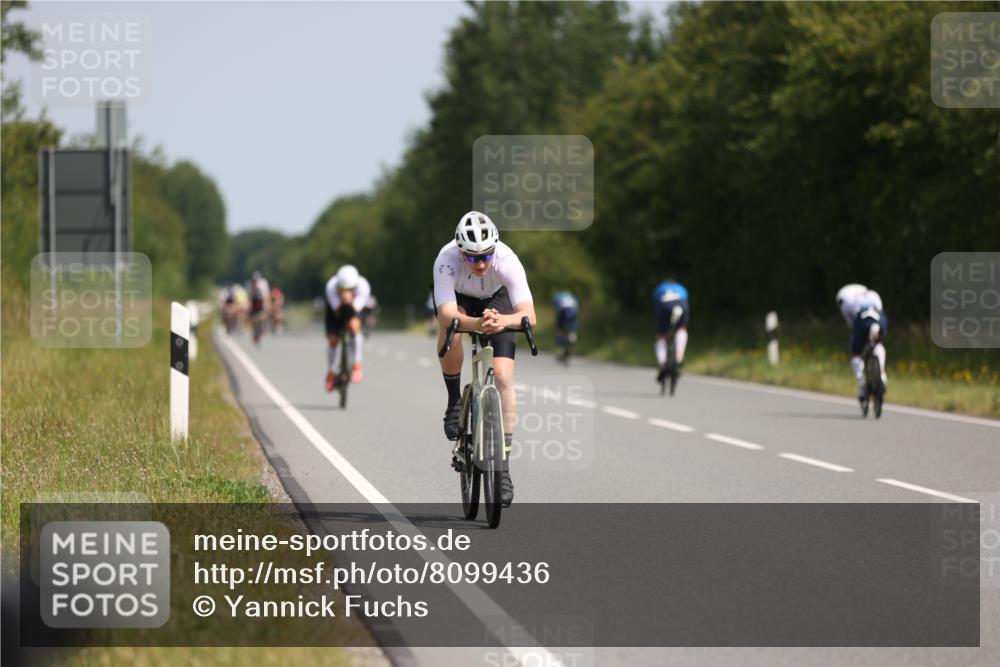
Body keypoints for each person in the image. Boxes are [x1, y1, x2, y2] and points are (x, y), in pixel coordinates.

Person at [433, 211, 536, 507]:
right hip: (459, 301)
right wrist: (478, 324)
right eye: (472, 258)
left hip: (497, 300)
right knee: (450, 329)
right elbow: (446, 314)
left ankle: (502, 466)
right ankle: (454, 401)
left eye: (485, 257)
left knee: (503, 376)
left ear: (494, 250)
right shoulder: (445, 259)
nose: (480, 264)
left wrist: (502, 320)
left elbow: (530, 314)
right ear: (460, 252)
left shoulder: (506, 259)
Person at [836, 284, 888, 406]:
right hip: (880, 321)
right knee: (878, 345)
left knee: (856, 354)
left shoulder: (847, 303)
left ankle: (861, 383)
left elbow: (852, 325)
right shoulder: (874, 294)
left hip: (862, 322)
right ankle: (882, 373)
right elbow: (880, 309)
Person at [324, 264, 371, 390]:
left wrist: (349, 301)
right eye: (342, 289)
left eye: (349, 289)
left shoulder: (363, 286)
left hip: (353, 308)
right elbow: (338, 310)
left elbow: (354, 310)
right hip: (335, 311)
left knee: (354, 325)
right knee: (333, 340)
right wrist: (343, 301)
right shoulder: (331, 287)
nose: (345, 291)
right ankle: (331, 371)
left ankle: (357, 364)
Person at [653, 278, 689, 382]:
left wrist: (664, 329)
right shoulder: (681, 288)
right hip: (681, 304)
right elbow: (686, 299)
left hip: (664, 305)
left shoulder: (659, 289)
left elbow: (656, 306)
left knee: (661, 337)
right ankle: (679, 356)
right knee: (682, 329)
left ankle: (662, 363)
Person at [552, 291, 579, 363]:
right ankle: (569, 348)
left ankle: (562, 350)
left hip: (562, 319)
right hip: (572, 320)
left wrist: (557, 325)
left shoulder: (558, 298)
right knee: (572, 334)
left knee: (560, 333)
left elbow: (556, 311)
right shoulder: (573, 298)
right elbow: (576, 310)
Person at [247, 271, 271, 343]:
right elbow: (249, 297)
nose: (255, 282)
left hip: (261, 302)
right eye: (254, 280)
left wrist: (267, 305)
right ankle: (253, 330)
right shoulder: (249, 284)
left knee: (264, 315)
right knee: (251, 317)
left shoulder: (263, 283)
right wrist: (248, 306)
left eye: (256, 280)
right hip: (253, 303)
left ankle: (263, 327)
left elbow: (266, 296)